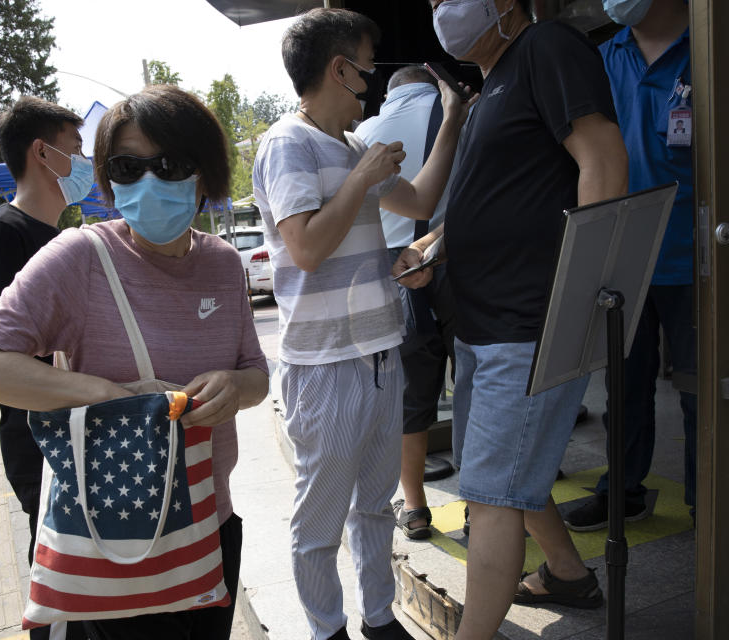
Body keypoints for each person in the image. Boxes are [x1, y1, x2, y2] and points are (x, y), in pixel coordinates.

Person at [0, 84, 270, 639]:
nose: (147, 181)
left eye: (168, 164)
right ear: (107, 179)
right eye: (126, 166)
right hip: (115, 534)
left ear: (204, 172)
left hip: (211, 528)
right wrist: (106, 394)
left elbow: (258, 376)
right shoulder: (80, 257)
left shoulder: (221, 262)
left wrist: (235, 388)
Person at [395, 1, 627, 637]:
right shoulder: (492, 81)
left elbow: (602, 163)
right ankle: (567, 573)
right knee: (496, 469)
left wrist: (580, 300)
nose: (442, 9)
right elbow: (498, 195)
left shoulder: (547, 46)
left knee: (492, 495)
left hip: (527, 321)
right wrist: (433, 246)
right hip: (481, 321)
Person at [252, 8, 473, 639]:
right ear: (339, 68)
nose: (372, 87)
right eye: (367, 72)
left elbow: (421, 201)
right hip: (325, 366)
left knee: (376, 507)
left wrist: (452, 122)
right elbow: (305, 250)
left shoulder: (350, 147)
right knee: (319, 523)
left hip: (380, 352)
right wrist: (364, 179)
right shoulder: (287, 143)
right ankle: (328, 630)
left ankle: (378, 620)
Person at [562, 0, 729, 570]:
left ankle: (714, 514)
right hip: (621, 254)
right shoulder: (601, 58)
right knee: (624, 387)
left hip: (698, 257)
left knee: (705, 395)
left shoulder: (721, 46)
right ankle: (624, 491)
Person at [0, 96, 88, 640]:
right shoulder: (6, 233)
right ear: (43, 153)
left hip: (85, 433)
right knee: (59, 584)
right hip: (42, 441)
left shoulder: (66, 239)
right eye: (77, 149)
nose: (85, 162)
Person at [355, 65, 457, 540]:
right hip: (461, 265)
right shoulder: (461, 115)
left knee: (411, 400)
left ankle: (414, 507)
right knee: (476, 387)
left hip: (396, 274)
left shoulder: (362, 134)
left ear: (389, 94)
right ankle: (483, 509)